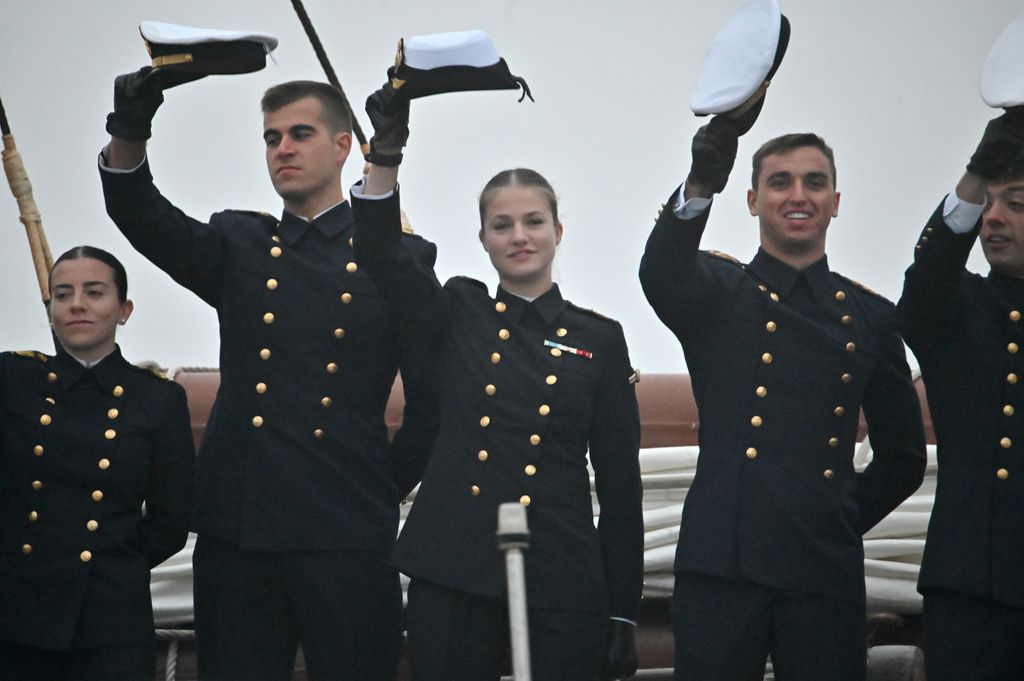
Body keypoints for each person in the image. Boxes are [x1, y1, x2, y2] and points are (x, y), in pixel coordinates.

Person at [98, 72, 438, 681]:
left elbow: (431, 405)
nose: (282, 149)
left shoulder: (399, 260)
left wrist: (377, 487)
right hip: (240, 534)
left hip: (347, 534)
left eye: (300, 134)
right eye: (271, 137)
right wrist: (130, 127)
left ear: (343, 146)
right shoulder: (242, 245)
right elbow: (141, 214)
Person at [351, 88, 644, 681]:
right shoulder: (458, 311)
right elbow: (383, 255)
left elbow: (620, 487)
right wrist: (385, 156)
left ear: (559, 230)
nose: (519, 236)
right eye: (501, 225)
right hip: (455, 563)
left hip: (559, 570)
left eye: (534, 222)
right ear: (482, 238)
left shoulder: (600, 339)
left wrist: (623, 612)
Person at [638, 116, 927, 680]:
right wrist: (700, 184)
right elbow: (661, 272)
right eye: (780, 182)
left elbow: (904, 459)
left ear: (836, 202)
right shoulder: (718, 292)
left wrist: (832, 517)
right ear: (752, 201)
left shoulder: (869, 317)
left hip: (822, 572)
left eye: (814, 183)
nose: (798, 196)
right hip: (722, 565)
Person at [0, 245, 194, 681]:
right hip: (17, 614)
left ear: (124, 310)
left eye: (94, 292)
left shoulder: (158, 399)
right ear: (49, 311)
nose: (77, 305)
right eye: (62, 294)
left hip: (109, 619)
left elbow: (170, 520)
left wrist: (113, 565)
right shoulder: (12, 380)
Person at [897, 109, 1024, 680]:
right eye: (987, 206)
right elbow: (926, 280)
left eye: (1016, 204)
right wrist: (976, 174)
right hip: (968, 583)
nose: (993, 218)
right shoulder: (958, 309)